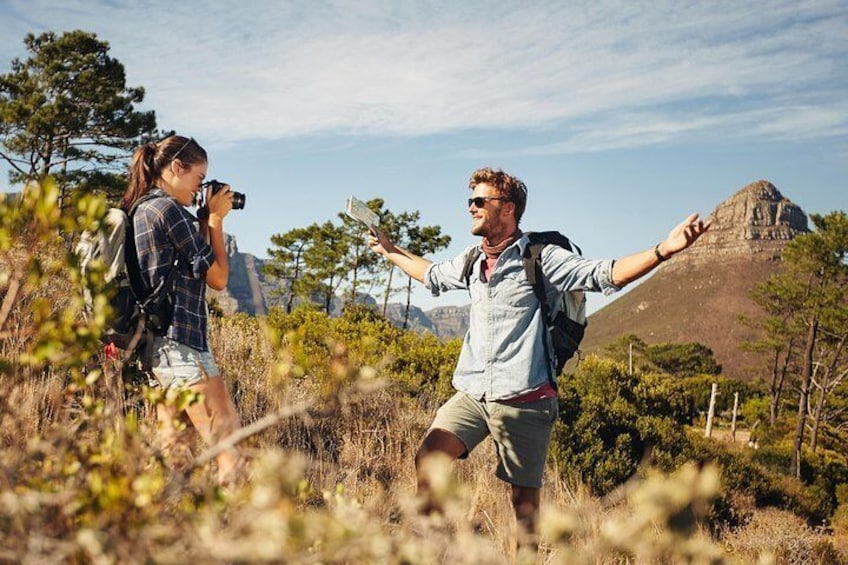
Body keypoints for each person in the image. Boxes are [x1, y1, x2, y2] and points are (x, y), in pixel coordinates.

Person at [368, 167, 711, 543]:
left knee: (524, 513)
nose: (471, 208)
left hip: (526, 398)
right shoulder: (471, 260)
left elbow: (605, 274)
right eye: (470, 201)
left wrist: (663, 250)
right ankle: (428, 547)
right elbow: (431, 274)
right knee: (429, 457)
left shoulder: (541, 258)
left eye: (480, 201)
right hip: (473, 393)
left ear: (508, 209)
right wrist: (390, 250)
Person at [122, 135, 242, 485]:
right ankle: (238, 534)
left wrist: (204, 218)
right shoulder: (168, 211)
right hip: (182, 345)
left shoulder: (146, 208)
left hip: (163, 348)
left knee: (174, 454)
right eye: (199, 179)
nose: (200, 188)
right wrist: (217, 221)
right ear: (177, 168)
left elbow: (192, 268)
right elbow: (217, 278)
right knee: (229, 452)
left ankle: (159, 529)